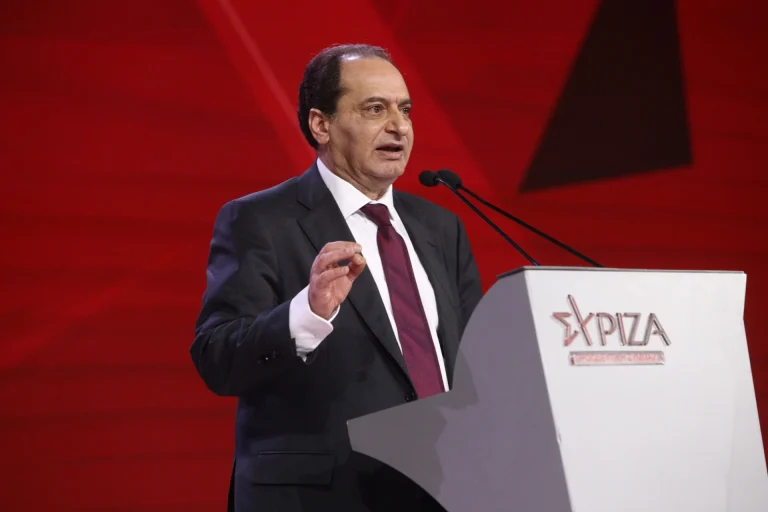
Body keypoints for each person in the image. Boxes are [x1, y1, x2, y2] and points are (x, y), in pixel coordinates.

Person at [191, 43, 483, 512]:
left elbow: (473, 362)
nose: (399, 126)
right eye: (375, 109)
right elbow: (217, 357)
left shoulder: (441, 228)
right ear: (320, 125)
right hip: (323, 495)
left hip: (440, 489)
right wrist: (306, 312)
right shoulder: (261, 220)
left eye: (405, 109)